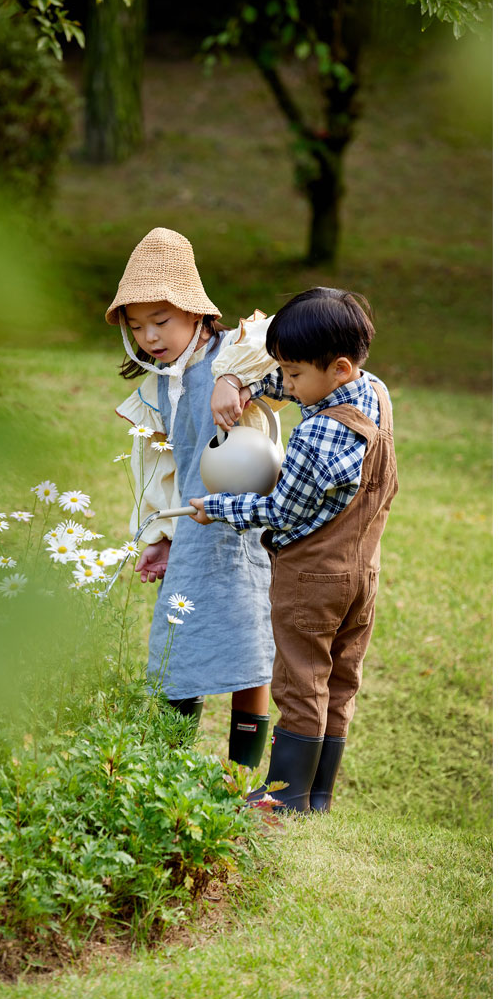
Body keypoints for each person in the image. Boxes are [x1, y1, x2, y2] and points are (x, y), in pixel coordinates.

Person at [187, 286, 396, 812]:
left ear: (339, 368)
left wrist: (220, 507)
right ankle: (317, 795)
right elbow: (294, 379)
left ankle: (284, 798)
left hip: (312, 578)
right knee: (340, 680)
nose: (290, 384)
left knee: (300, 680)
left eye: (296, 375)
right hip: (363, 572)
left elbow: (281, 511)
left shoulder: (317, 436)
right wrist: (248, 382)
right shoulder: (372, 392)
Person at [108, 227, 288, 770]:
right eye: (137, 327)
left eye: (161, 321)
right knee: (177, 642)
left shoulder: (232, 353)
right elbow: (166, 468)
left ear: (196, 313)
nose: (150, 337)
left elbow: (277, 341)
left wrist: (235, 379)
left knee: (246, 648)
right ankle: (167, 771)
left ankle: (241, 777)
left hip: (239, 532)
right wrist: (160, 538)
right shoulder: (162, 381)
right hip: (191, 528)